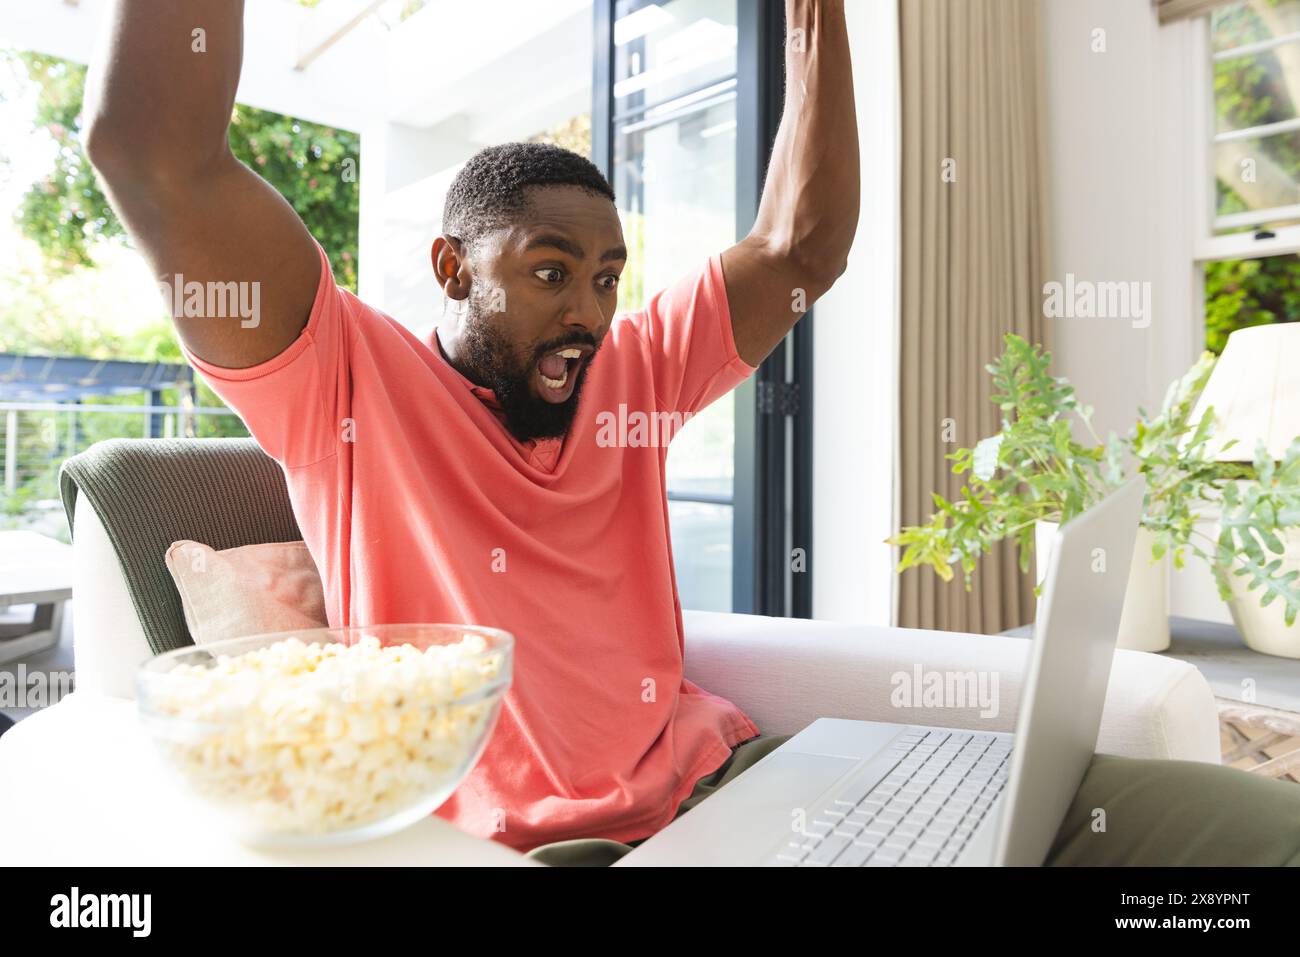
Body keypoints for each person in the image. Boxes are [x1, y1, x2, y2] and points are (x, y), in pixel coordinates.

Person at [83, 0, 1300, 868]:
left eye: (608, 276)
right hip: (563, 849)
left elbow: (799, 248)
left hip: (740, 775)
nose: (588, 311)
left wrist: (818, 19)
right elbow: (152, 154)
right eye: (549, 272)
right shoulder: (343, 383)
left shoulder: (625, 376)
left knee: (1252, 832)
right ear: (452, 266)